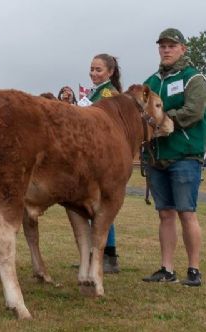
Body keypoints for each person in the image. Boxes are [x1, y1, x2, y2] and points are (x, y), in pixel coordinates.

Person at [141, 28, 206, 287]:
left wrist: (161, 121)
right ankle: (167, 269)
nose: (166, 50)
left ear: (183, 49)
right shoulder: (152, 82)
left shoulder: (194, 78)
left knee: (186, 213)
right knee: (165, 214)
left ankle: (194, 270)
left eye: (172, 45)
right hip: (157, 158)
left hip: (184, 156)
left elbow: (193, 111)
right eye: (162, 46)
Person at [81, 53, 122, 273]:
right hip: (90, 153)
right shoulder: (94, 92)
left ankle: (109, 254)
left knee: (104, 207)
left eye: (98, 70)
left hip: (102, 156)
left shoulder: (108, 93)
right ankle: (93, 252)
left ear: (110, 72)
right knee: (92, 208)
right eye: (92, 69)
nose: (93, 73)